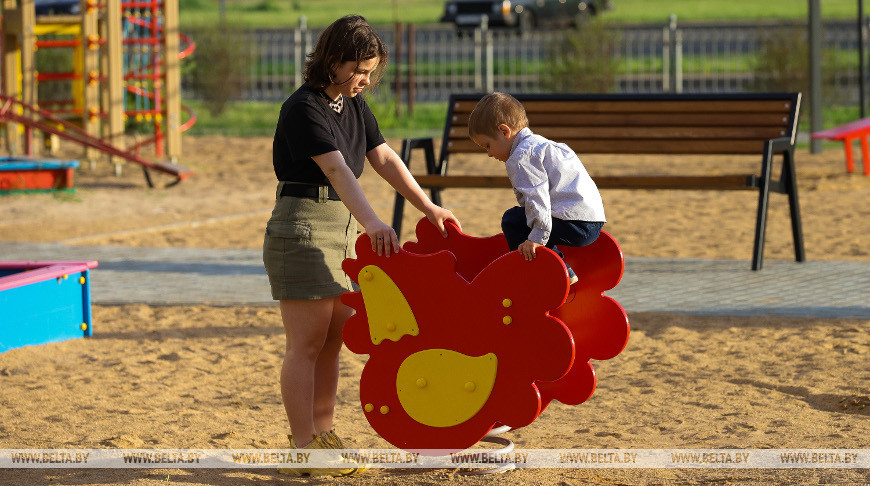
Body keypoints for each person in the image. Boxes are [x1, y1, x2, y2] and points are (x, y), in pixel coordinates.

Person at [263, 14, 459, 477]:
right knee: (306, 342)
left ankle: (324, 434)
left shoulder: (351, 104)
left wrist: (427, 207)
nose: (366, 81)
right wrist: (374, 221)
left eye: (371, 72)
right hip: (304, 225)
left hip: (342, 227)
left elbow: (384, 157)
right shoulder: (303, 106)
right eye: (360, 70)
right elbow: (336, 170)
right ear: (333, 60)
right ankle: (302, 446)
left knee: (334, 339)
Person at [467, 92, 605, 284]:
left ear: (504, 131)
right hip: (593, 221)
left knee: (512, 220)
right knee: (525, 218)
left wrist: (537, 238)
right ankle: (562, 267)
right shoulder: (542, 145)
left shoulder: (522, 158)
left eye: (488, 146)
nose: (489, 154)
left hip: (574, 224)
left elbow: (536, 199)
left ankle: (534, 271)